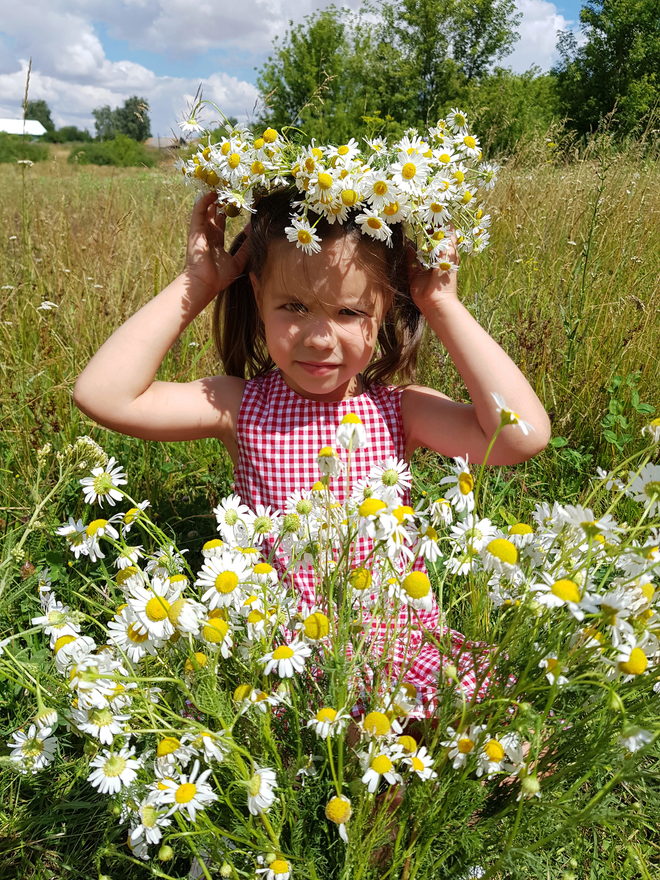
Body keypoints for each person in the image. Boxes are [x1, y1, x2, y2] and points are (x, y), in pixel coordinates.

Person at [74, 186, 551, 713]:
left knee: (499, 746)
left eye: (349, 312)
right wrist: (199, 282)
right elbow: (103, 395)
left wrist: (441, 305)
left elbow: (520, 436)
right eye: (294, 306)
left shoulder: (400, 410)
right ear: (257, 297)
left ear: (386, 305)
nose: (320, 339)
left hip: (393, 646)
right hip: (285, 655)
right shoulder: (238, 404)